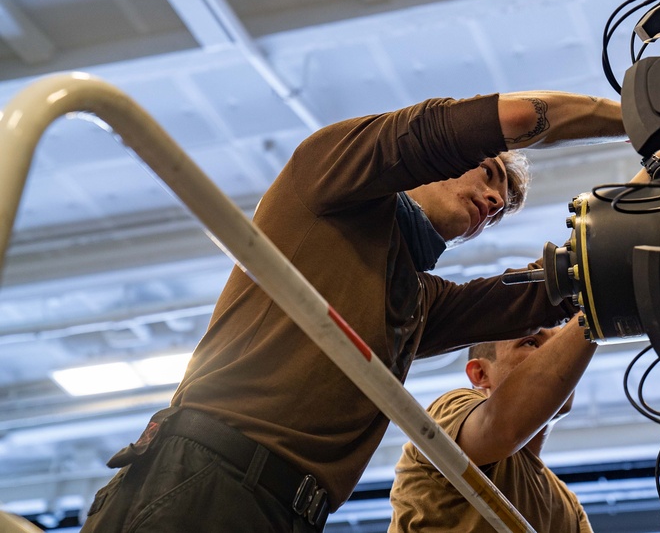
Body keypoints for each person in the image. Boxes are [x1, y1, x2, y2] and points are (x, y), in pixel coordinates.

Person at [80, 91, 625, 532]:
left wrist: (648, 182)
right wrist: (636, 117)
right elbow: (512, 117)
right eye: (486, 172)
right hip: (205, 478)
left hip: (290, 512)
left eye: (501, 204)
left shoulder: (415, 299)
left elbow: (552, 288)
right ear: (439, 163)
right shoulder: (329, 178)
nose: (494, 200)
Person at [389, 321, 597, 532]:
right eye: (531, 342)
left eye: (562, 343)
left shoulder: (568, 507)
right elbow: (502, 429)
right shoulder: (449, 410)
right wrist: (591, 318)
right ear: (480, 373)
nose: (562, 356)